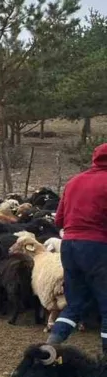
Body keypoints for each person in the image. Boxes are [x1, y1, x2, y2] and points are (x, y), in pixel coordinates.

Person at [49, 143, 107, 353]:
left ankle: (49, 349)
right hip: (97, 248)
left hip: (69, 247)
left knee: (74, 305)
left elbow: (59, 220)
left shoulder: (74, 181)